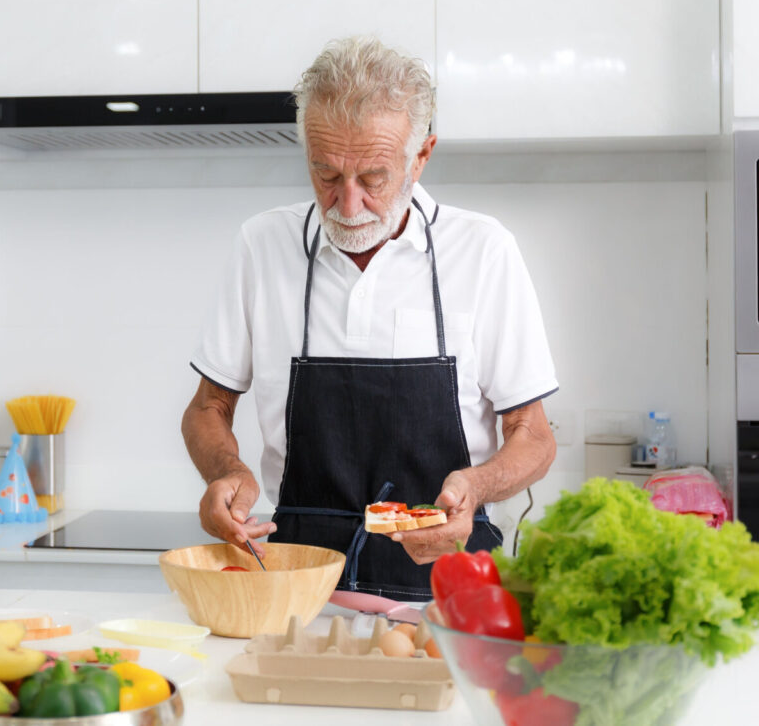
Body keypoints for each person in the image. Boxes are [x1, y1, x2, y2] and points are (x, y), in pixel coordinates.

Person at [181, 36, 557, 599]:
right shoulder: (263, 244)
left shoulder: (483, 250)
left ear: (421, 155)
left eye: (373, 178)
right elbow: (208, 408)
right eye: (327, 175)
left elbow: (535, 437)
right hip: (298, 589)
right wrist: (225, 473)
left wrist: (476, 487)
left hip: (452, 596)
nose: (348, 204)